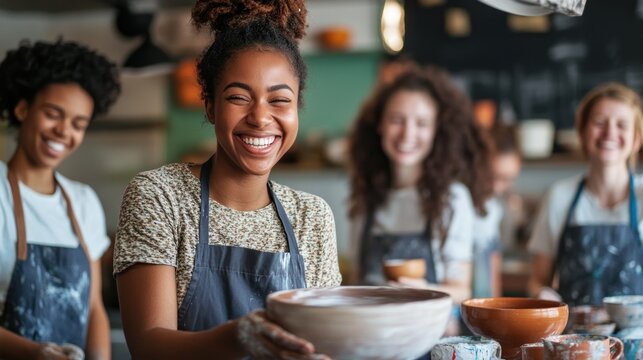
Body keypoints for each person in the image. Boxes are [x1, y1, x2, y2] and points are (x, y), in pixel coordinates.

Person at [113, 1, 342, 359]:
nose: (261, 118)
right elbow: (148, 346)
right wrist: (237, 337)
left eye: (280, 100)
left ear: (297, 108)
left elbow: (328, 341)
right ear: (209, 105)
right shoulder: (160, 196)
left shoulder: (311, 217)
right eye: (238, 97)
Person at [0, 40, 121, 360]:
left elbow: (93, 307)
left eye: (78, 124)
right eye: (53, 114)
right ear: (22, 109)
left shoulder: (83, 201)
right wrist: (35, 354)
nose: (63, 132)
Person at [347, 65, 492, 307]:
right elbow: (356, 279)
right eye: (397, 120)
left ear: (437, 131)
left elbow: (462, 290)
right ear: (380, 125)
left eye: (422, 123)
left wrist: (425, 291)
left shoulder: (453, 199)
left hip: (431, 336)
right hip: (370, 334)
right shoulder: (365, 197)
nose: (407, 134)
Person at [528, 83, 643, 306]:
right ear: (582, 131)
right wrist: (543, 295)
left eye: (622, 125)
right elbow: (538, 280)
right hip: (574, 338)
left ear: (636, 139)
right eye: (600, 122)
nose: (610, 132)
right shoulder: (560, 196)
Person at [472, 124, 522, 298]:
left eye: (506, 179)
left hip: (482, 303)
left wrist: (495, 304)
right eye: (491, 176)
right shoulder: (459, 202)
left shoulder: (495, 207)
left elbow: (494, 259)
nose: (497, 186)